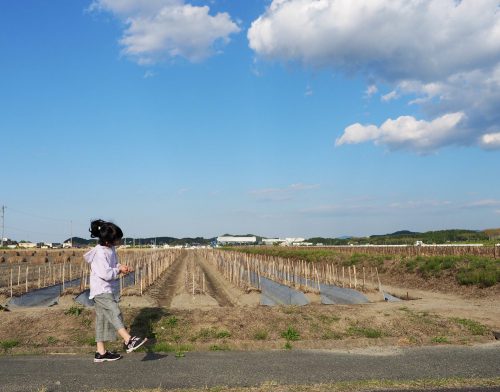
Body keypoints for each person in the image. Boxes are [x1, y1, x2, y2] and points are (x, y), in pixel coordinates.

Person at [84, 219, 147, 362]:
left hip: (106, 289)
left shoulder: (110, 249)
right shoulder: (100, 253)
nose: (119, 241)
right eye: (117, 239)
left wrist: (120, 266)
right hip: (101, 290)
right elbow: (105, 273)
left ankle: (101, 353)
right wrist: (118, 269)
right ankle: (128, 339)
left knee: (102, 320)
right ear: (108, 241)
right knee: (114, 311)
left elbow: (113, 265)